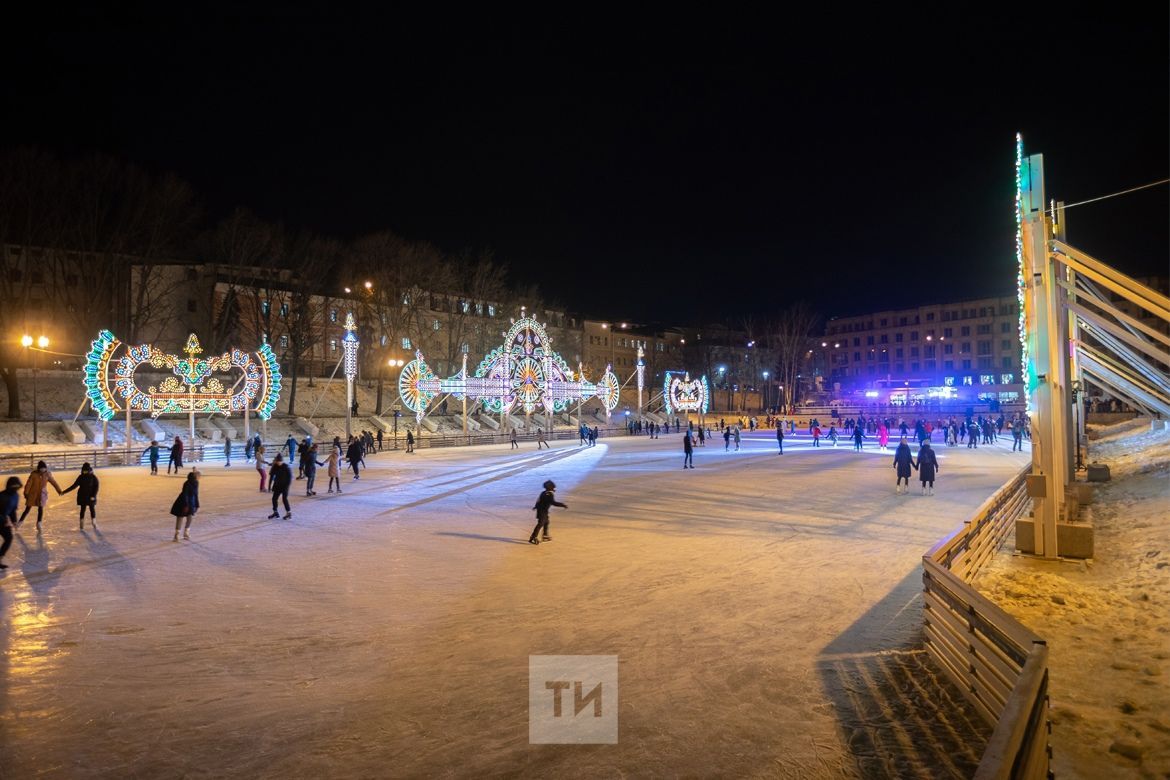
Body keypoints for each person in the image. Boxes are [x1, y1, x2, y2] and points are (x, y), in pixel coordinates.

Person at [19, 461, 62, 530]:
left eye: (44, 468)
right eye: (41, 468)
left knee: (40, 508)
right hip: (32, 494)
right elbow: (28, 484)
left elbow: (54, 482)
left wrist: (59, 490)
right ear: (39, 468)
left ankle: (39, 523)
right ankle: (20, 522)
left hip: (41, 494)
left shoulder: (47, 474)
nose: (43, 470)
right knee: (27, 509)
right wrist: (26, 493)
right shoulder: (34, 475)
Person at [62, 462, 100, 530]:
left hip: (91, 496)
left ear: (89, 470)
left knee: (92, 509)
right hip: (82, 496)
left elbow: (96, 487)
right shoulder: (81, 477)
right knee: (83, 509)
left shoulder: (93, 477)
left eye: (86, 471)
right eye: (84, 471)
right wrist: (64, 492)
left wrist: (93, 495)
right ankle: (81, 523)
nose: (85, 472)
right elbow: (74, 486)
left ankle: (94, 522)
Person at [528, 480, 567, 545]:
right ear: (551, 487)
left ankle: (545, 535)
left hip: (541, 510)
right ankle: (534, 536)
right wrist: (562, 505)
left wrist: (535, 506)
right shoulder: (550, 494)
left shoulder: (543, 492)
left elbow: (538, 500)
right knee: (540, 524)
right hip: (543, 512)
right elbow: (553, 503)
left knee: (546, 522)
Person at [170, 470, 200, 541]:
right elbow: (185, 494)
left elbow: (196, 494)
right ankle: (176, 535)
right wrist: (186, 505)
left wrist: (197, 504)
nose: (199, 478)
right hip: (182, 502)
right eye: (198, 476)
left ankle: (186, 533)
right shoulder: (186, 483)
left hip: (191, 502)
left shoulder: (196, 483)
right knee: (180, 517)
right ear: (194, 477)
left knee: (189, 517)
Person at [0, 476, 21, 569]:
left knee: (9, 537)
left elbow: (12, 510)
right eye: (14, 487)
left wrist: (14, 521)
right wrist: (4, 520)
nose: (15, 489)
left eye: (17, 487)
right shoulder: (1, 496)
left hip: (3, 521)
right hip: (1, 520)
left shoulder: (16, 496)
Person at [268, 454, 293, 519]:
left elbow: (290, 478)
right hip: (277, 485)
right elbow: (271, 477)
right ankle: (275, 512)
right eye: (278, 461)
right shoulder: (275, 466)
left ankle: (289, 513)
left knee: (284, 499)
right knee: (274, 499)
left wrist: (287, 486)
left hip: (285, 486)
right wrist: (269, 486)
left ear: (282, 461)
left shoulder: (286, 467)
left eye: (280, 461)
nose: (279, 462)